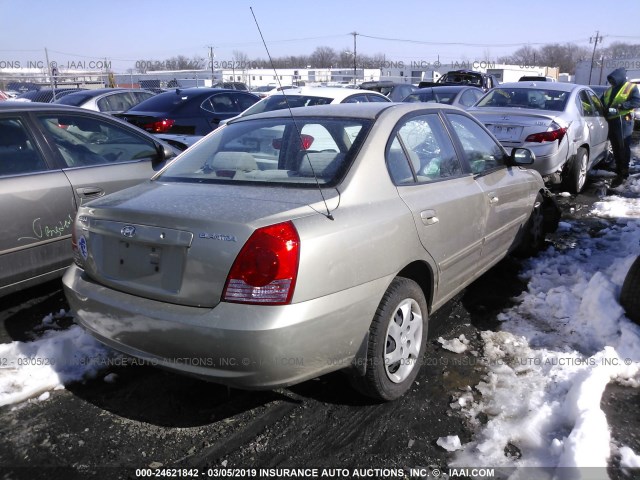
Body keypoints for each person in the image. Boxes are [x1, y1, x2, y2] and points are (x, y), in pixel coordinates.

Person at [601, 67, 640, 188]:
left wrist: (622, 105)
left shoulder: (631, 87)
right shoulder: (609, 90)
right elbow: (601, 102)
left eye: (613, 80)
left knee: (623, 145)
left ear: (619, 78)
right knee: (615, 146)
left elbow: (637, 102)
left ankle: (624, 171)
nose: (611, 82)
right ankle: (619, 168)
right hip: (611, 120)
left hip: (623, 120)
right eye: (610, 80)